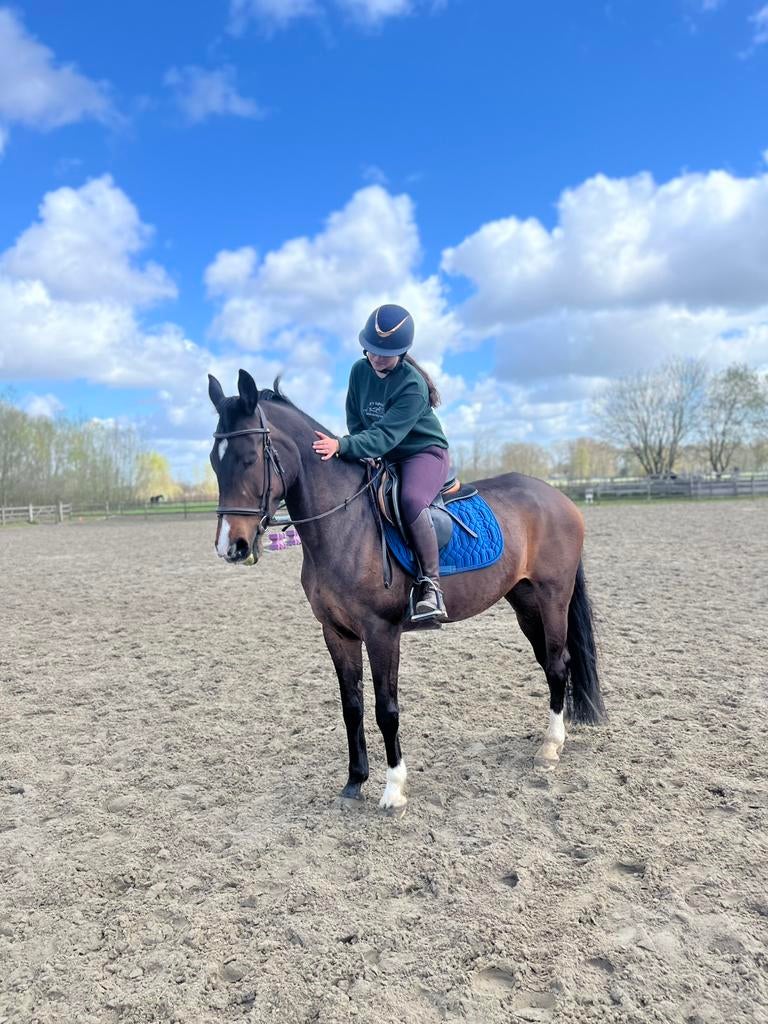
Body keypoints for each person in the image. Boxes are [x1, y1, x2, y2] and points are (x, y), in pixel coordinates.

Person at [312, 304, 450, 623]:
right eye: (371, 350)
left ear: (402, 353)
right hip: (380, 451)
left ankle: (432, 586)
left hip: (422, 453)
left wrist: (343, 445)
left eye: (385, 353)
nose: (376, 358)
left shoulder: (412, 385)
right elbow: (356, 418)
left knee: (412, 500)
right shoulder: (358, 371)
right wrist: (360, 448)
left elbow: (386, 435)